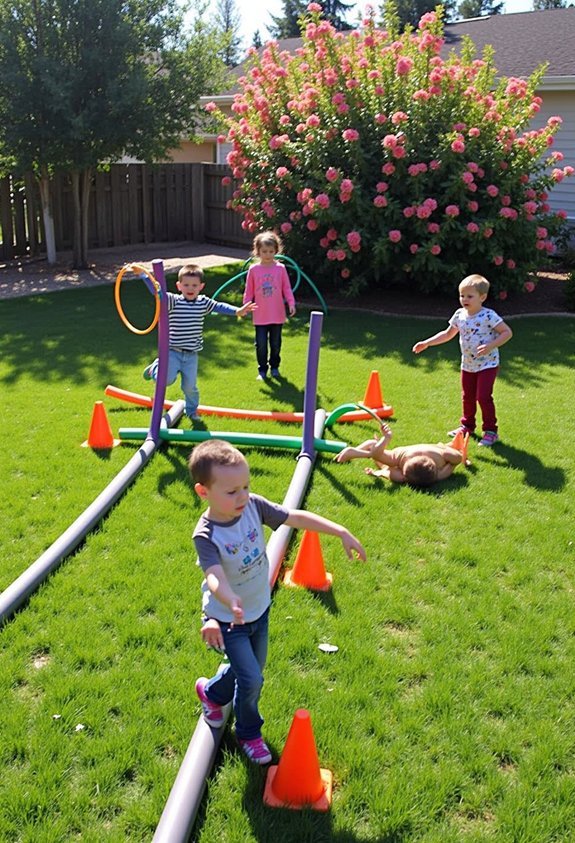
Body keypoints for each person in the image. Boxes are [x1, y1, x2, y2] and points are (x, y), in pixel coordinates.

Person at [189, 439, 366, 765]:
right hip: (229, 619)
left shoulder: (253, 506)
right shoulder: (207, 534)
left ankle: (211, 693)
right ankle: (248, 733)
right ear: (204, 492)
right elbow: (213, 575)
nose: (242, 496)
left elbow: (294, 517)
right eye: (232, 491)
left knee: (250, 672)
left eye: (246, 486)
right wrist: (229, 597)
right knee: (252, 679)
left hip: (260, 611)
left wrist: (340, 530)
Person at [143, 264, 255, 421]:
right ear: (179, 286)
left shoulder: (203, 302)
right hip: (173, 352)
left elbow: (218, 306)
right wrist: (144, 276)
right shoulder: (174, 301)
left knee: (190, 387)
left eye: (194, 285)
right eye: (186, 285)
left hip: (191, 355)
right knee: (166, 380)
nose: (190, 288)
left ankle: (191, 411)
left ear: (201, 286)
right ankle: (154, 368)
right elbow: (157, 292)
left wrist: (237, 311)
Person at [412, 274, 513, 447]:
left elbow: (507, 332)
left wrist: (490, 345)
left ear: (482, 297)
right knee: (467, 397)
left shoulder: (488, 316)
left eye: (469, 296)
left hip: (487, 364)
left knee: (483, 397)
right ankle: (467, 426)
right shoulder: (459, 315)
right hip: (468, 365)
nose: (464, 299)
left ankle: (490, 431)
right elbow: (447, 334)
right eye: (462, 295)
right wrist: (427, 343)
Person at [335, 423, 464, 486]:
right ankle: (363, 450)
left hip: (404, 455)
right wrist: (449, 468)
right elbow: (457, 459)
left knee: (376, 450)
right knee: (378, 456)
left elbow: (457, 457)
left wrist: (386, 439)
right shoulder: (439, 469)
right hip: (402, 455)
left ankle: (368, 447)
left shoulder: (441, 454)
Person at [242, 231, 296, 381]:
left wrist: (291, 303)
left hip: (277, 314)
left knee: (276, 343)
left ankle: (275, 367)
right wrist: (245, 306)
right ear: (258, 251)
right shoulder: (253, 270)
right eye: (264, 251)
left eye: (271, 251)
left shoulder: (280, 268)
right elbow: (249, 290)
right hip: (260, 315)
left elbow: (286, 288)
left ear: (276, 251)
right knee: (261, 344)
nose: (268, 254)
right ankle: (262, 370)